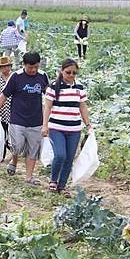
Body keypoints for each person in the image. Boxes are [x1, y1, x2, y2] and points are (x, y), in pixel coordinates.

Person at [0, 52, 50, 186]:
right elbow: (4, 95)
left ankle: (29, 177)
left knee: (33, 149)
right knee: (17, 145)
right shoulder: (16, 77)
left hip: (36, 120)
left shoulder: (43, 76)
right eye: (30, 67)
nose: (33, 70)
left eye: (36, 67)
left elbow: (49, 96)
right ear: (24, 65)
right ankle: (14, 159)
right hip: (17, 119)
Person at [42, 59, 91, 196]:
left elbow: (83, 106)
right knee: (60, 155)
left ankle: (62, 185)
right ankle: (53, 180)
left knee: (69, 158)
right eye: (68, 72)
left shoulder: (79, 87)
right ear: (62, 71)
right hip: (56, 127)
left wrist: (88, 124)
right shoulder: (54, 87)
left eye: (74, 73)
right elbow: (47, 107)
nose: (71, 75)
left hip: (74, 129)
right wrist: (45, 125)